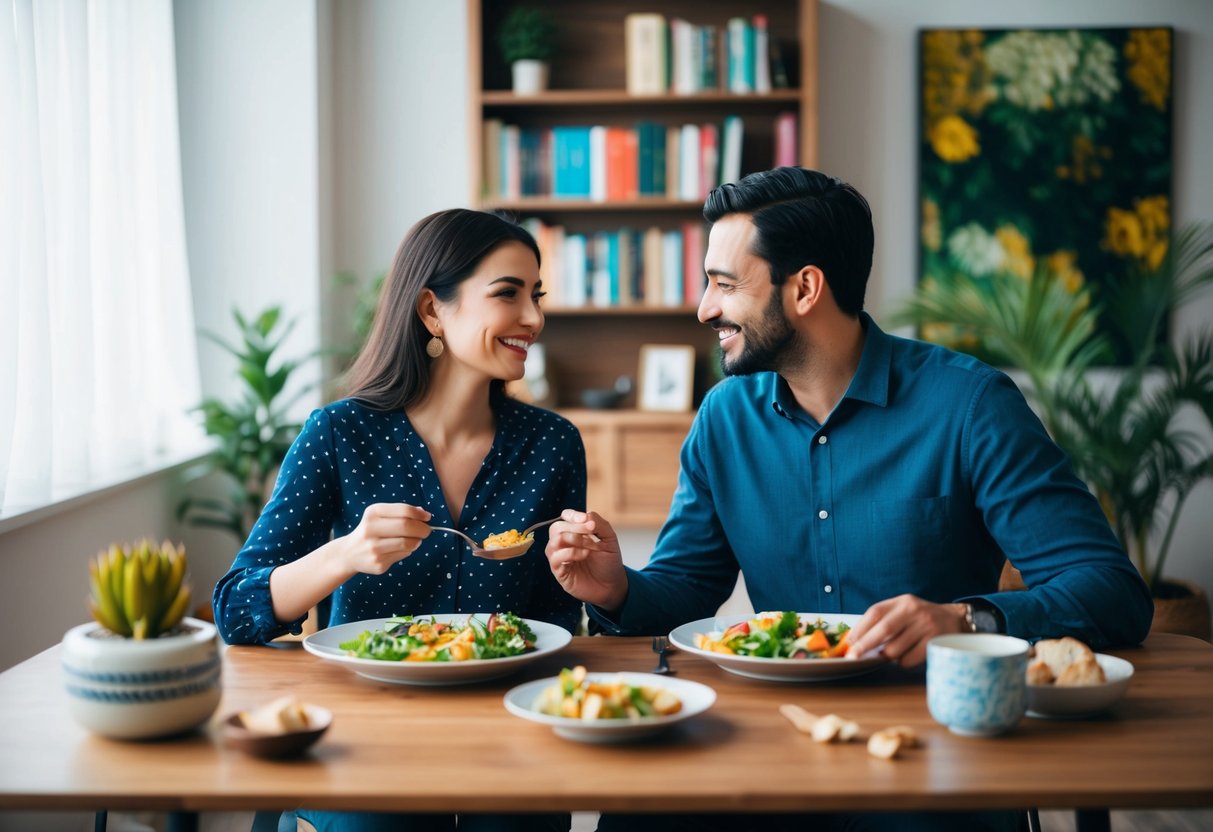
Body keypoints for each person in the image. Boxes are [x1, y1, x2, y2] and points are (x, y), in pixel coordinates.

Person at [544, 167, 1153, 832]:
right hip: (772, 735)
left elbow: (1110, 592)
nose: (703, 309)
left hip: (936, 746)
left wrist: (965, 622)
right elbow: (688, 584)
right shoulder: (724, 417)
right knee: (635, 819)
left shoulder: (970, 405)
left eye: (722, 284)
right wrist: (613, 590)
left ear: (804, 288)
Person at [214, 208, 581, 832]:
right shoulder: (338, 433)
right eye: (508, 295)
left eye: (536, 297)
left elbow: (555, 621)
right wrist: (344, 554)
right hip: (366, 734)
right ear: (433, 311)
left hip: (511, 732)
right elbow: (235, 608)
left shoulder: (552, 443)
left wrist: (587, 577)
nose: (534, 319)